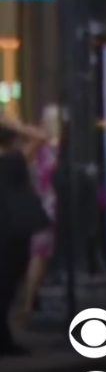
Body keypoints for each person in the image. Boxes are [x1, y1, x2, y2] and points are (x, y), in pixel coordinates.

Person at [0, 121, 51, 356]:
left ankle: (4, 339)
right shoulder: (14, 160)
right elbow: (41, 135)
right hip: (13, 232)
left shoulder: (13, 160)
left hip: (10, 231)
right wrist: (13, 123)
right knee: (8, 286)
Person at [21, 105, 60, 319]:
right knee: (40, 255)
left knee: (41, 255)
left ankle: (32, 300)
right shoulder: (50, 148)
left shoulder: (41, 148)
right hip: (49, 206)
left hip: (44, 204)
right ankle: (29, 302)